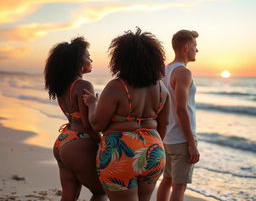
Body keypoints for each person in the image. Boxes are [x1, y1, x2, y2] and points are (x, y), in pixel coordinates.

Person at [83, 28, 170, 201]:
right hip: (154, 151)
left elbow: (97, 124)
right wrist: (148, 144)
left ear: (121, 59)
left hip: (121, 153)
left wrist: (93, 104)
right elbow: (164, 125)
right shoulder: (162, 89)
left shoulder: (116, 87)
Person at [44, 37, 107, 201]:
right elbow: (89, 125)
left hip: (63, 141)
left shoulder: (62, 86)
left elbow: (75, 117)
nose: (91, 60)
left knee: (69, 195)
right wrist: (101, 141)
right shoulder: (83, 85)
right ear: (78, 62)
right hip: (79, 143)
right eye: (88, 57)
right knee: (101, 191)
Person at [157, 30, 200, 201]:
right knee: (179, 187)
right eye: (195, 46)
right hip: (181, 139)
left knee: (166, 181)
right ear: (186, 47)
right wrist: (191, 142)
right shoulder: (183, 73)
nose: (197, 50)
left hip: (168, 137)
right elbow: (181, 109)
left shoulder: (165, 71)